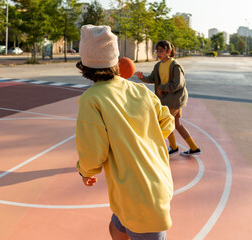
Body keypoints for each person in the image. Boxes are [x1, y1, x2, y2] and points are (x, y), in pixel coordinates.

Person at [76, 25, 175, 240]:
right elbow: (167, 120)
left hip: (136, 195)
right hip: (150, 183)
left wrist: (86, 171)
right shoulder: (139, 90)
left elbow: (93, 152)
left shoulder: (92, 99)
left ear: (84, 64)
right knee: (116, 229)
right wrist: (146, 140)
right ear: (115, 60)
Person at [135, 40, 201, 156]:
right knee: (176, 124)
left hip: (174, 99)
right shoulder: (158, 65)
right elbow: (152, 79)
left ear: (168, 51)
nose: (158, 53)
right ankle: (193, 148)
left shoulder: (175, 65)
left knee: (164, 122)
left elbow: (178, 84)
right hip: (168, 99)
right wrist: (142, 77)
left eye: (161, 51)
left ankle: (171, 147)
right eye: (157, 51)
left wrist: (163, 87)